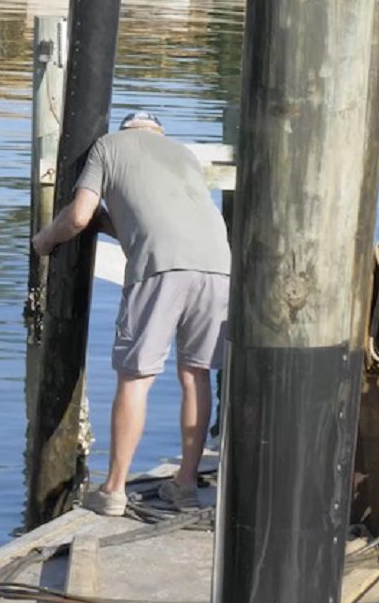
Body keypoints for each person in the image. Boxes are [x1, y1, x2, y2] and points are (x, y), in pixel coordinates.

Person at [31, 111, 230, 516]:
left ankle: (114, 490)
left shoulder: (107, 146)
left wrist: (43, 241)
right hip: (218, 267)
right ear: (159, 132)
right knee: (196, 375)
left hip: (159, 267)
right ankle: (186, 485)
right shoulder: (183, 154)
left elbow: (78, 216)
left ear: (127, 130)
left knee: (136, 378)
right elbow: (165, 220)